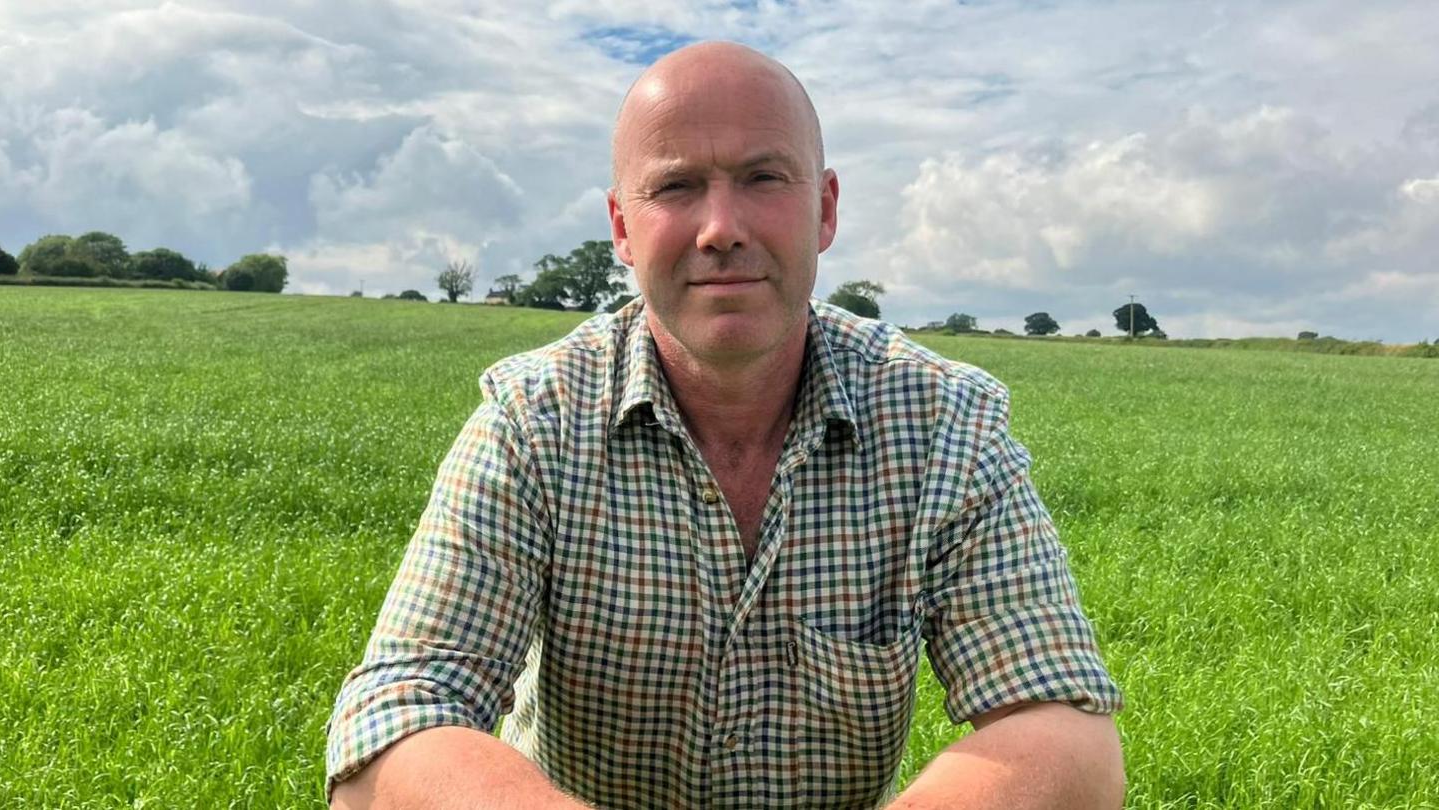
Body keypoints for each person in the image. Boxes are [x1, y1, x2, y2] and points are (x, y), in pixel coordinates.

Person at [327, 41, 1124, 810]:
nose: (721, 228)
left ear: (825, 208)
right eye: (676, 188)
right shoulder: (535, 425)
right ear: (621, 228)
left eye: (763, 177)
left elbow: (1061, 730)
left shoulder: (944, 424)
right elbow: (397, 720)